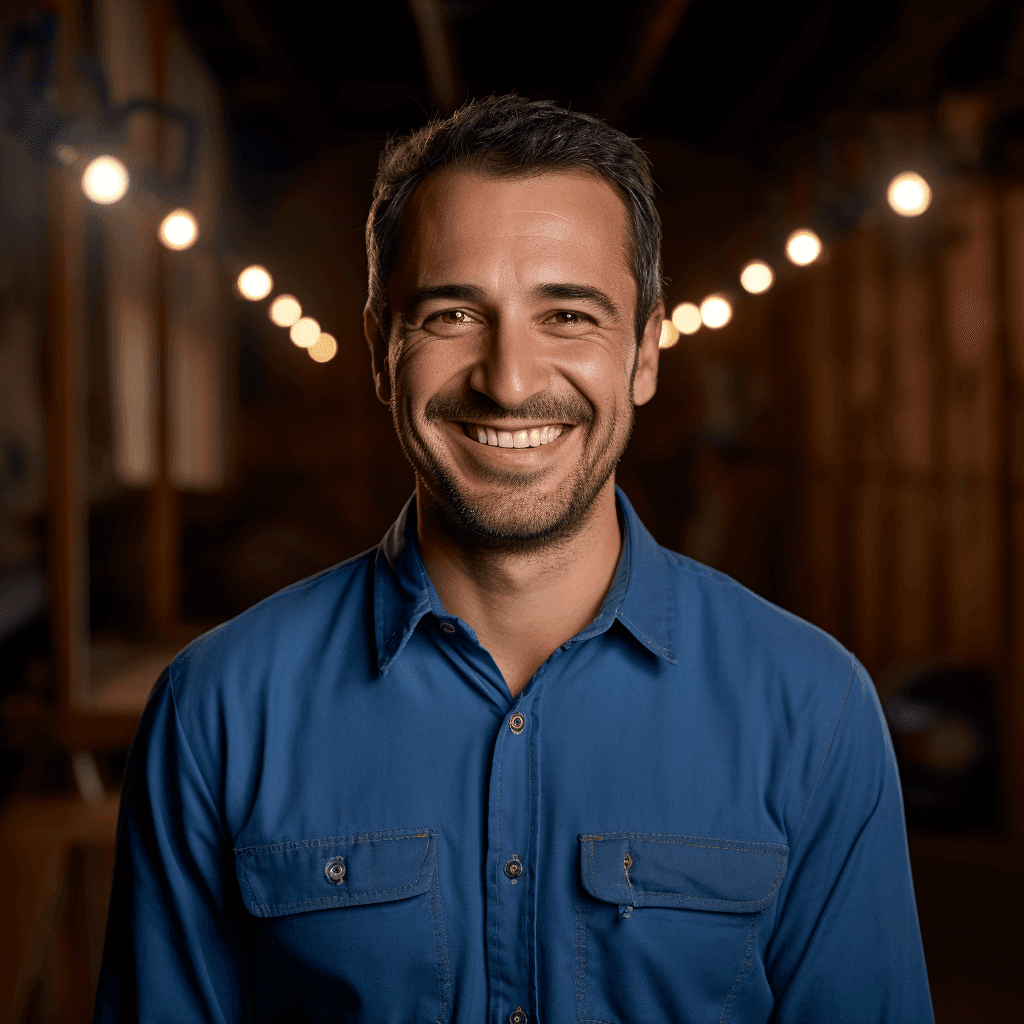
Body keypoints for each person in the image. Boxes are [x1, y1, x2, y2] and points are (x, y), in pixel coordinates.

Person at [94, 95, 934, 1024]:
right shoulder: (217, 707)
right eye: (454, 313)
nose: (510, 380)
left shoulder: (814, 710)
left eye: (568, 315)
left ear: (645, 353)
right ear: (381, 350)